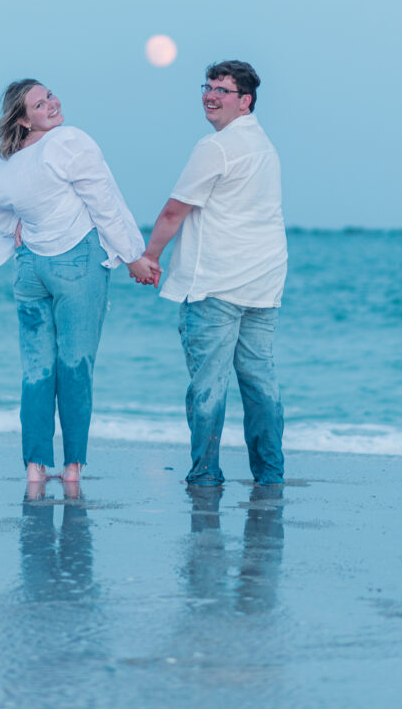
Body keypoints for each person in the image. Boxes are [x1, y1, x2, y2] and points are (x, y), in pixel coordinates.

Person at [0, 79, 157, 492]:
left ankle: (35, 467)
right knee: (75, 368)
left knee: (37, 371)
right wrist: (133, 257)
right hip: (76, 265)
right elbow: (104, 203)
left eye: (50, 96)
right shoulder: (69, 141)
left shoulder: (6, 163)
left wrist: (11, 224)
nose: (52, 104)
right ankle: (71, 468)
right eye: (40, 103)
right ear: (22, 117)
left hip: (30, 267)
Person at [142, 60, 287, 487]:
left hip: (217, 283)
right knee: (260, 382)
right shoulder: (264, 145)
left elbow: (174, 210)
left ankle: (205, 474)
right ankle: (270, 473)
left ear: (245, 101)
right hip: (263, 281)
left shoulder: (215, 147)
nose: (211, 95)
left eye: (223, 90)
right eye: (208, 86)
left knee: (208, 385)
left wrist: (150, 257)